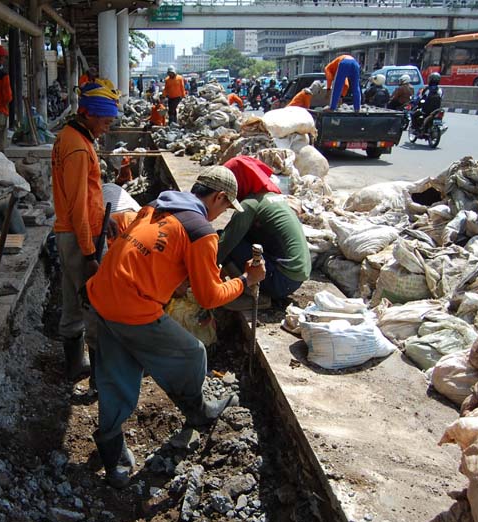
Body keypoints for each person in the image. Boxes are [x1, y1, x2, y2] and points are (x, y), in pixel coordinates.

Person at [85, 166, 266, 487]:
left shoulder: (156, 206)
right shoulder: (201, 230)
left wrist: (177, 279)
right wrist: (244, 280)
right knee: (192, 353)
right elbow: (210, 297)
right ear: (219, 197)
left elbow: (151, 253)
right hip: (132, 307)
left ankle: (113, 462)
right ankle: (198, 413)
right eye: (225, 207)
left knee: (116, 379)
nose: (222, 215)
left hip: (102, 296)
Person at [51, 79, 120, 381]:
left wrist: (105, 220)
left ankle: (74, 366)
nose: (108, 127)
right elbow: (78, 204)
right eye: (106, 121)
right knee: (95, 305)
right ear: (89, 114)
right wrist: (90, 252)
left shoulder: (72, 135)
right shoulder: (79, 148)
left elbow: (84, 197)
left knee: (72, 299)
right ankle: (99, 376)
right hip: (82, 237)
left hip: (74, 232)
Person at [219, 156, 311, 307]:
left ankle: (252, 295)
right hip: (296, 278)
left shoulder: (249, 205)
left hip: (280, 279)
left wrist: (197, 279)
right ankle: (251, 287)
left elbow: (224, 244)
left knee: (220, 238)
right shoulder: (271, 198)